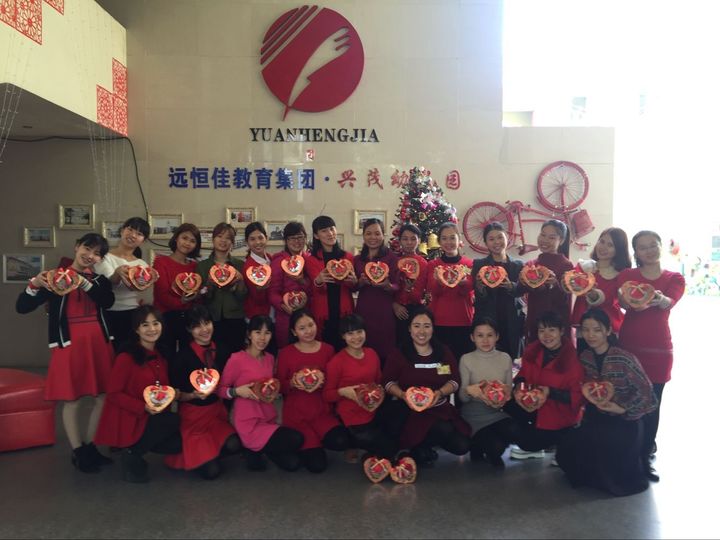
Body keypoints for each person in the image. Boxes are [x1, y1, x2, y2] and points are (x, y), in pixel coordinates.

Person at [16, 233, 115, 474]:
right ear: (77, 247)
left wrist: (83, 282)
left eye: (97, 254)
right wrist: (35, 284)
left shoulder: (100, 280)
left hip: (98, 342)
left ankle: (91, 446)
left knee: (102, 397)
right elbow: (22, 307)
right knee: (72, 399)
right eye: (87, 249)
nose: (90, 256)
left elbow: (107, 301)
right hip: (68, 343)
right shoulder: (55, 278)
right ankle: (78, 451)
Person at [557, 309, 658, 496]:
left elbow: (648, 394)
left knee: (608, 448)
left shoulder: (624, 358)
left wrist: (622, 408)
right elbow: (581, 386)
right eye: (586, 330)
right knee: (567, 450)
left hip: (625, 421)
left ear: (608, 330)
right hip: (596, 416)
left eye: (597, 330)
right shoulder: (585, 357)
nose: (591, 335)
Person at [618, 230, 685, 482]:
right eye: (642, 247)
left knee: (652, 404)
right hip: (629, 347)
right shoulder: (627, 276)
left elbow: (669, 301)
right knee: (627, 401)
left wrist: (657, 298)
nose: (648, 250)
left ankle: (645, 455)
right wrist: (628, 298)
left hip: (659, 350)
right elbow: (623, 303)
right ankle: (626, 453)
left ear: (660, 246)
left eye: (652, 245)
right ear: (636, 252)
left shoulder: (674, 277)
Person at [94, 306, 182, 483]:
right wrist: (143, 407)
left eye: (156, 323)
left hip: (151, 414)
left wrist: (175, 394)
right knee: (171, 420)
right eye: (145, 325)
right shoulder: (126, 357)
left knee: (178, 443)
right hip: (131, 416)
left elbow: (161, 388)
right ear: (136, 329)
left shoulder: (161, 355)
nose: (152, 329)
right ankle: (131, 452)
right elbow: (113, 394)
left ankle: (138, 448)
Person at [381, 307, 471, 467]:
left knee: (462, 445)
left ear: (433, 328)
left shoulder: (443, 352)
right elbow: (387, 382)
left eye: (427, 326)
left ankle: (421, 447)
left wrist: (440, 392)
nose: (421, 331)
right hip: (409, 411)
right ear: (409, 328)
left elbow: (454, 381)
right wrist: (402, 395)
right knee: (442, 429)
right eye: (416, 326)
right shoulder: (399, 353)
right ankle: (416, 449)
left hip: (438, 408)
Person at [218, 315, 304, 472]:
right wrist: (236, 391)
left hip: (267, 417)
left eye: (267, 333)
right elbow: (220, 389)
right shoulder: (237, 359)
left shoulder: (270, 358)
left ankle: (258, 450)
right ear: (249, 334)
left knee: (293, 463)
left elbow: (271, 386)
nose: (262, 338)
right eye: (258, 332)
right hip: (248, 421)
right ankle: (251, 448)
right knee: (295, 439)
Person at [165, 305, 241, 479]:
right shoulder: (182, 357)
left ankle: (211, 451)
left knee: (235, 445)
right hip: (194, 418)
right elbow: (174, 393)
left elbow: (230, 383)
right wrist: (192, 395)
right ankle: (205, 454)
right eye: (197, 326)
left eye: (207, 323)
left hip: (216, 414)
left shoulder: (223, 350)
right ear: (189, 329)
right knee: (212, 473)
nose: (204, 329)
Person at [276, 310, 350, 473]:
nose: (308, 331)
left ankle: (315, 441)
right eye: (302, 328)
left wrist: (323, 381)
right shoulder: (286, 353)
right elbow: (279, 385)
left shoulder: (328, 350)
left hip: (322, 411)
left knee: (341, 440)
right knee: (317, 466)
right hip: (297, 413)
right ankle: (305, 444)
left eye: (311, 325)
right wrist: (293, 383)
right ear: (294, 332)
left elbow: (334, 381)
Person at [507, 310, 584, 460]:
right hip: (532, 406)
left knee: (526, 442)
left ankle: (559, 442)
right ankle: (545, 443)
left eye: (552, 330)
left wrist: (550, 392)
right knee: (508, 413)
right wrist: (519, 387)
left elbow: (578, 396)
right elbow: (522, 374)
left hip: (558, 416)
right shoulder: (532, 351)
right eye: (542, 331)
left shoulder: (572, 359)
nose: (546, 335)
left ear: (562, 331)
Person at [323, 314, 397, 471]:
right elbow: (327, 395)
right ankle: (361, 450)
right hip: (353, 418)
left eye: (359, 332)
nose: (356, 337)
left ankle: (369, 449)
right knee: (388, 450)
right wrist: (342, 392)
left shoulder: (372, 354)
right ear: (343, 336)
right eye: (350, 333)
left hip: (375, 410)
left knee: (399, 423)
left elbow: (379, 381)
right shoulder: (337, 362)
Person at [458, 318, 516, 468]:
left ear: (497, 336)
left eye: (490, 335)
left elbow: (508, 391)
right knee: (496, 448)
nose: (485, 340)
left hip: (497, 413)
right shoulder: (466, 359)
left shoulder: (505, 358)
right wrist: (471, 391)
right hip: (473, 416)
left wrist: (502, 399)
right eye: (480, 335)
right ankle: (478, 445)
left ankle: (487, 445)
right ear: (472, 337)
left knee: (515, 431)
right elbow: (462, 398)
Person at [93, 217, 152, 351]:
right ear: (122, 231)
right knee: (108, 352)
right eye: (130, 229)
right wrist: (118, 272)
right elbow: (110, 282)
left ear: (143, 240)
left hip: (133, 313)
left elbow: (138, 288)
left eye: (139, 234)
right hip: (108, 312)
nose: (133, 235)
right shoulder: (104, 257)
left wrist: (146, 282)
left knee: (129, 353)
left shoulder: (142, 264)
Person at [570, 227, 632, 351]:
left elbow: (614, 300)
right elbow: (570, 285)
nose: (603, 247)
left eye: (610, 245)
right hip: (584, 328)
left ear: (618, 250)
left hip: (607, 328)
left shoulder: (621, 275)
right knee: (584, 361)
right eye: (602, 241)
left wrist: (594, 294)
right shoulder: (583, 267)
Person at [471, 221, 525, 359]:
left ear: (507, 238)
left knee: (512, 359)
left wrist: (511, 286)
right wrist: (480, 288)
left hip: (512, 319)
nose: (496, 242)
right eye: (491, 239)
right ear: (486, 242)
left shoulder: (518, 265)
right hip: (487, 320)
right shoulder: (479, 265)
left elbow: (522, 290)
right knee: (487, 359)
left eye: (500, 237)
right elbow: (478, 296)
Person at [304, 215, 357, 351]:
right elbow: (313, 290)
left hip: (344, 310)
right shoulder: (311, 260)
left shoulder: (348, 257)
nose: (330, 233)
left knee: (345, 349)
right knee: (324, 349)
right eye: (324, 231)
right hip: (323, 313)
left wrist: (353, 282)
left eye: (332, 229)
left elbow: (352, 287)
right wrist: (318, 281)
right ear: (316, 235)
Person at [425, 222, 475, 361]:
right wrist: (439, 282)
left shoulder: (469, 264)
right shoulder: (433, 265)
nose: (449, 242)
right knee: (443, 363)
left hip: (464, 320)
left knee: (463, 361)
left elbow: (470, 289)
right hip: (439, 322)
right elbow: (432, 290)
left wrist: (462, 282)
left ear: (459, 240)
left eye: (452, 238)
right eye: (444, 238)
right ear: (439, 241)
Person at [518, 220, 574, 343]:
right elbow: (521, 291)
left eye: (551, 237)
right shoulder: (531, 264)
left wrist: (555, 285)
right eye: (543, 235)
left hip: (555, 327)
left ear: (561, 241)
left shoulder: (566, 265)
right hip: (535, 322)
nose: (545, 240)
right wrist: (522, 281)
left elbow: (565, 301)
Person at [353, 218, 399, 363]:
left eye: (377, 233)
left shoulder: (391, 258)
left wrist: (387, 286)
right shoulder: (357, 260)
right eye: (368, 233)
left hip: (384, 312)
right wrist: (360, 282)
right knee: (364, 351)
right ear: (363, 235)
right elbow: (352, 286)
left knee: (385, 353)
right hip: (363, 311)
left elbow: (398, 285)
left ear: (383, 235)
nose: (373, 237)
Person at [195, 222, 247, 353]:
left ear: (232, 243)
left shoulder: (240, 265)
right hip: (211, 320)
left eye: (228, 238)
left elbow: (243, 297)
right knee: (214, 356)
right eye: (219, 236)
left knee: (236, 357)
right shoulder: (202, 266)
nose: (223, 240)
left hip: (235, 319)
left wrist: (240, 281)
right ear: (213, 239)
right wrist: (209, 285)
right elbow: (202, 298)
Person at [152, 223, 202, 354]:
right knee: (166, 355)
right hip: (165, 317)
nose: (187, 243)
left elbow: (198, 295)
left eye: (192, 241)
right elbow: (161, 295)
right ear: (176, 238)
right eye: (184, 238)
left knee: (188, 356)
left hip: (189, 318)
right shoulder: (161, 262)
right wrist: (183, 301)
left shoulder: (194, 266)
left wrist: (198, 295)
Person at [268, 221, 312, 348]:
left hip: (308, 315)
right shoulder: (279, 261)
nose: (297, 241)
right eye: (292, 238)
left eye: (300, 237)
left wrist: (302, 281)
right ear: (286, 241)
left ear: (305, 238)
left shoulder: (310, 260)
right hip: (286, 316)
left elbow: (315, 289)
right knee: (287, 351)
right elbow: (272, 292)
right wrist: (283, 305)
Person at [392, 223, 428, 345]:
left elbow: (424, 293)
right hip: (397, 311)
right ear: (400, 241)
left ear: (419, 241)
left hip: (416, 310)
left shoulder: (423, 264)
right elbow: (388, 288)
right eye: (405, 239)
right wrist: (394, 305)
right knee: (400, 345)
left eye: (413, 239)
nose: (409, 242)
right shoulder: (394, 261)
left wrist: (409, 290)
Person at [242, 222, 273, 321]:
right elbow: (257, 299)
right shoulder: (248, 267)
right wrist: (260, 290)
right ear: (247, 242)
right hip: (256, 316)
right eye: (252, 239)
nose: (257, 242)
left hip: (273, 311)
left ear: (266, 238)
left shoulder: (271, 258)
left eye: (260, 238)